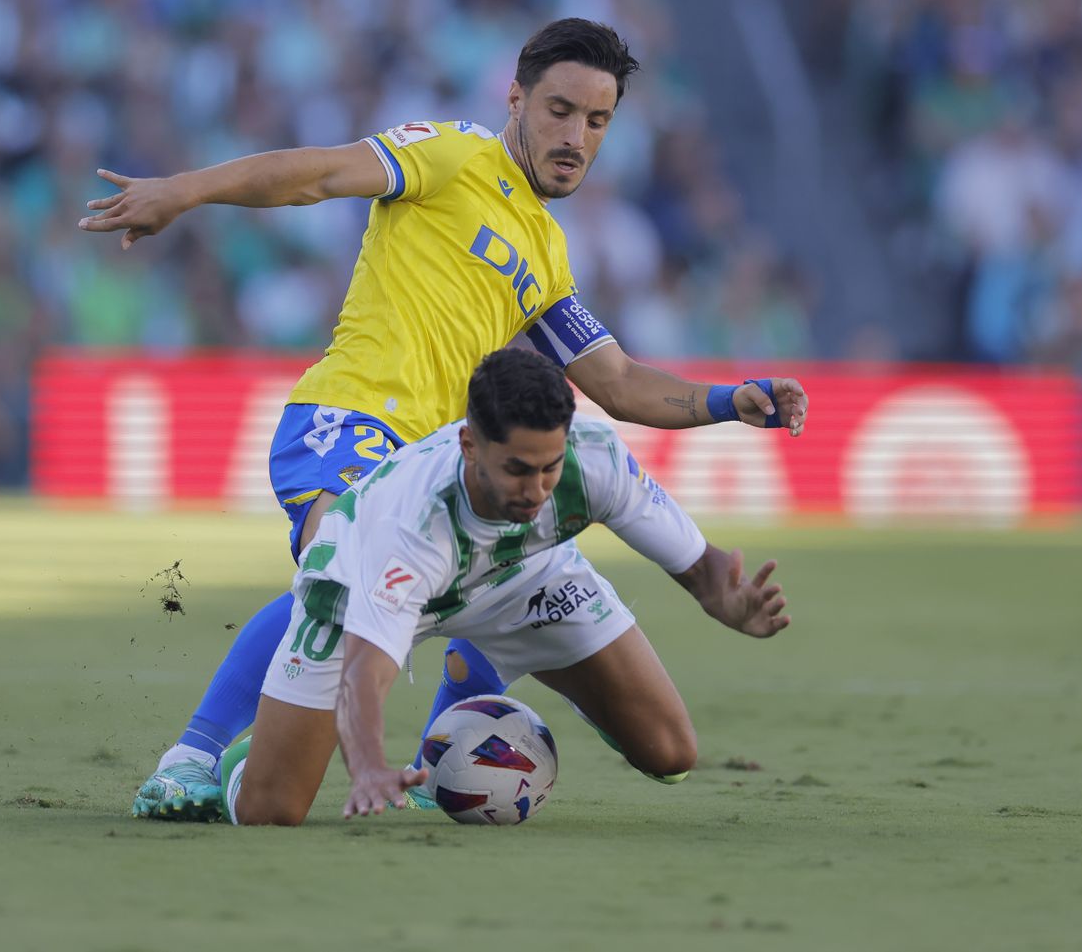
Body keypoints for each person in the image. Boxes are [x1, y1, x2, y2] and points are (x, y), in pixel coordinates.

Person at [78, 18, 809, 820]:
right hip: (350, 419)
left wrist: (726, 402)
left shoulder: (547, 252)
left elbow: (620, 381)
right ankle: (195, 756)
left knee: (612, 693)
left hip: (446, 462)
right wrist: (182, 191)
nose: (576, 137)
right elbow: (319, 175)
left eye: (597, 121)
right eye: (560, 110)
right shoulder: (452, 153)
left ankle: (443, 744)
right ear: (516, 98)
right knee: (343, 567)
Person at [221, 348, 791, 825]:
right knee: (270, 812)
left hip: (522, 578)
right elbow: (365, 673)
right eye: (518, 469)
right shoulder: (412, 526)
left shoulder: (594, 461)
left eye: (549, 468)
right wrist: (368, 765)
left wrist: (726, 602)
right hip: (351, 588)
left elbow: (702, 566)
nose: (537, 489)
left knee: (672, 752)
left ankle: (485, 659)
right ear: (469, 445)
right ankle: (243, 760)